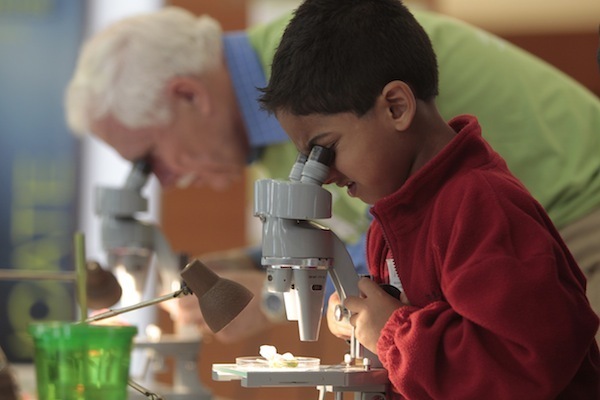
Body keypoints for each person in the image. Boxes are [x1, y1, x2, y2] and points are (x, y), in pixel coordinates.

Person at [65, 5, 600, 342]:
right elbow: (364, 235)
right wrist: (240, 269)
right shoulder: (296, 116)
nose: (168, 180)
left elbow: (424, 234)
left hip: (578, 221)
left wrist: (276, 299)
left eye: (151, 159)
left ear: (187, 95)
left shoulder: (331, 69)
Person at [258, 0, 599, 398]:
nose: (326, 174)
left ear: (396, 107)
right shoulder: (391, 224)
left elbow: (521, 363)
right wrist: (369, 329)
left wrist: (392, 332)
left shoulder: (480, 205)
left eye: (326, 148)